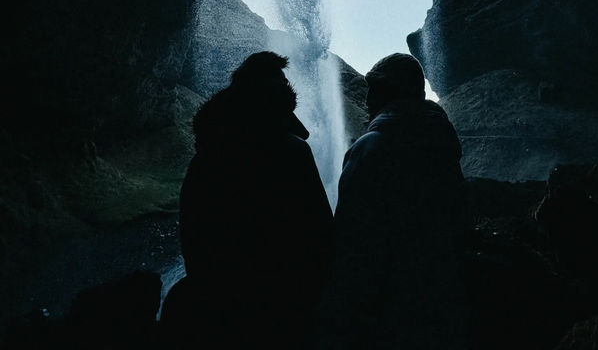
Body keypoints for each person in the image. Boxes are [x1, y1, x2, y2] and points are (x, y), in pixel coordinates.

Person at [160, 51, 334, 349]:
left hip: (218, 311)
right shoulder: (292, 152)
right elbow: (321, 233)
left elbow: (193, 234)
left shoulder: (208, 155)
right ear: (277, 96)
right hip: (287, 309)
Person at [314, 53, 470, 349]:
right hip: (444, 301)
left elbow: (353, 242)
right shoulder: (443, 148)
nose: (367, 99)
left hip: (385, 310)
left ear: (387, 92)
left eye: (374, 88)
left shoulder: (371, 148)